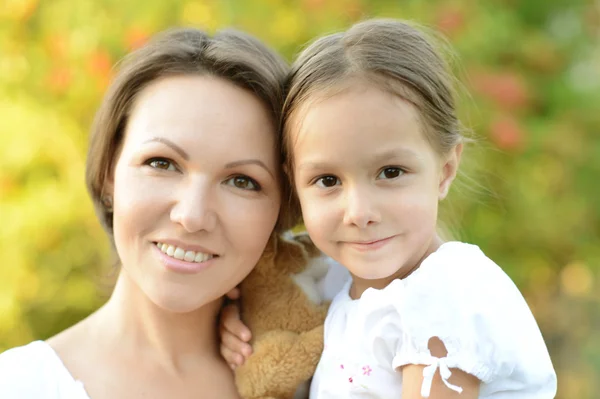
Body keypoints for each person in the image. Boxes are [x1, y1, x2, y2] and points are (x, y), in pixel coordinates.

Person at [220, 19, 557, 398]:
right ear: (295, 185)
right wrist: (239, 322)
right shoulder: (336, 281)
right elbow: (276, 300)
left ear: (444, 171)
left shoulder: (445, 294)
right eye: (328, 180)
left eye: (391, 172)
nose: (359, 211)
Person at [0, 26, 301, 398]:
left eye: (242, 181)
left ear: (283, 206)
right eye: (162, 163)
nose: (192, 215)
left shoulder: (334, 367)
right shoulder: (18, 386)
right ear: (110, 170)